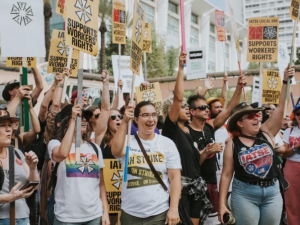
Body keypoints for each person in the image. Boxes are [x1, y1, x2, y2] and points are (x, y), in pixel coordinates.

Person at [219, 65, 295, 225]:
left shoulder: (266, 132)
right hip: (244, 194)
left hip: (272, 192)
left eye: (257, 115)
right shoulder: (232, 144)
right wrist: (221, 204)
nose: (257, 118)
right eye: (251, 116)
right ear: (239, 123)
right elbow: (226, 175)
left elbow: (281, 108)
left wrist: (284, 81)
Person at [186, 74, 246, 224]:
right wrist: (207, 151)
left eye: (207, 107)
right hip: (192, 185)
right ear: (192, 112)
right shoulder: (184, 131)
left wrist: (238, 87)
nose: (206, 109)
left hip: (211, 183)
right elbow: (190, 163)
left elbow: (230, 107)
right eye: (202, 107)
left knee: (213, 222)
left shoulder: (210, 126)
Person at [111, 101, 182, 225]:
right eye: (145, 115)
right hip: (130, 214)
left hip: (159, 213)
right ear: (136, 120)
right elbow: (116, 152)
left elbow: (175, 178)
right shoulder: (127, 141)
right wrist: (124, 121)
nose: (151, 119)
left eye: (154, 115)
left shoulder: (167, 144)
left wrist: (174, 209)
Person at [162, 52, 212, 225]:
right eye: (183, 107)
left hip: (195, 187)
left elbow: (195, 161)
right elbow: (178, 97)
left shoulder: (188, 132)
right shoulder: (171, 129)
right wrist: (181, 69)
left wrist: (206, 152)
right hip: (181, 189)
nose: (186, 108)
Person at [47, 103, 110, 225]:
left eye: (85, 117)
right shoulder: (55, 143)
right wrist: (73, 123)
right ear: (66, 121)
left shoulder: (95, 148)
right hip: (66, 217)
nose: (84, 120)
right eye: (79, 116)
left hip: (94, 215)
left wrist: (105, 212)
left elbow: (101, 184)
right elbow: (62, 154)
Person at [0, 108, 40, 225]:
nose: (9, 129)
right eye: (2, 125)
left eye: (9, 125)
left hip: (22, 217)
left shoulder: (17, 153)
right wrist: (7, 198)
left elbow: (34, 186)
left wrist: (33, 167)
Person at [282, 102, 300, 225]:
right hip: (292, 167)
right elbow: (284, 154)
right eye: (299, 114)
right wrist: (297, 146)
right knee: (292, 201)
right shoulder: (289, 131)